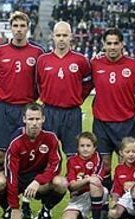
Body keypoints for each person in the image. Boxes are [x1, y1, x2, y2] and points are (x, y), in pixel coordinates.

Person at [0, 11, 44, 219]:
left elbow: (40, 80)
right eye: (16, 25)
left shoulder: (38, 52)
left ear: (28, 27)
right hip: (3, 108)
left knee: (29, 157)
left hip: (27, 110)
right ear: (10, 27)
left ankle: (26, 202)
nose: (19, 29)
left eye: (22, 25)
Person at [90, 27, 135, 201]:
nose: (112, 47)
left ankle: (126, 204)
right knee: (105, 165)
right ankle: (106, 201)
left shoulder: (134, 65)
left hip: (126, 122)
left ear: (122, 44)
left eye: (116, 43)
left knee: (126, 165)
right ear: (103, 45)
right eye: (109, 43)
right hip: (102, 123)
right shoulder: (95, 64)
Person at [0, 103, 67, 219]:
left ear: (43, 119)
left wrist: (38, 181)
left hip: (38, 182)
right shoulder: (16, 140)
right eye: (31, 119)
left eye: (37, 119)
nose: (34, 123)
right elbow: (11, 175)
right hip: (19, 179)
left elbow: (56, 165)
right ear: (24, 119)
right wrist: (15, 207)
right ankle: (8, 210)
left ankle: (46, 210)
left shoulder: (51, 138)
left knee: (61, 183)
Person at [36, 21, 92, 158]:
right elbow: (37, 83)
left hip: (72, 113)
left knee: (73, 155)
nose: (61, 38)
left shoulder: (81, 60)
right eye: (58, 35)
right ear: (52, 36)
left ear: (71, 36)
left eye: (65, 35)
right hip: (49, 112)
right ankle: (49, 179)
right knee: (47, 154)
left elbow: (88, 83)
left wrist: (78, 98)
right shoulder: (43, 60)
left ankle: (73, 179)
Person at [62, 132, 108, 219]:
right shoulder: (71, 161)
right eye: (82, 146)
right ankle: (82, 218)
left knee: (94, 183)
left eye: (88, 146)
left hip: (97, 193)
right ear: (77, 147)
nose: (85, 149)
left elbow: (97, 180)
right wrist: (87, 179)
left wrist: (84, 182)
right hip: (78, 197)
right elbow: (72, 187)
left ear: (94, 147)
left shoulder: (98, 158)